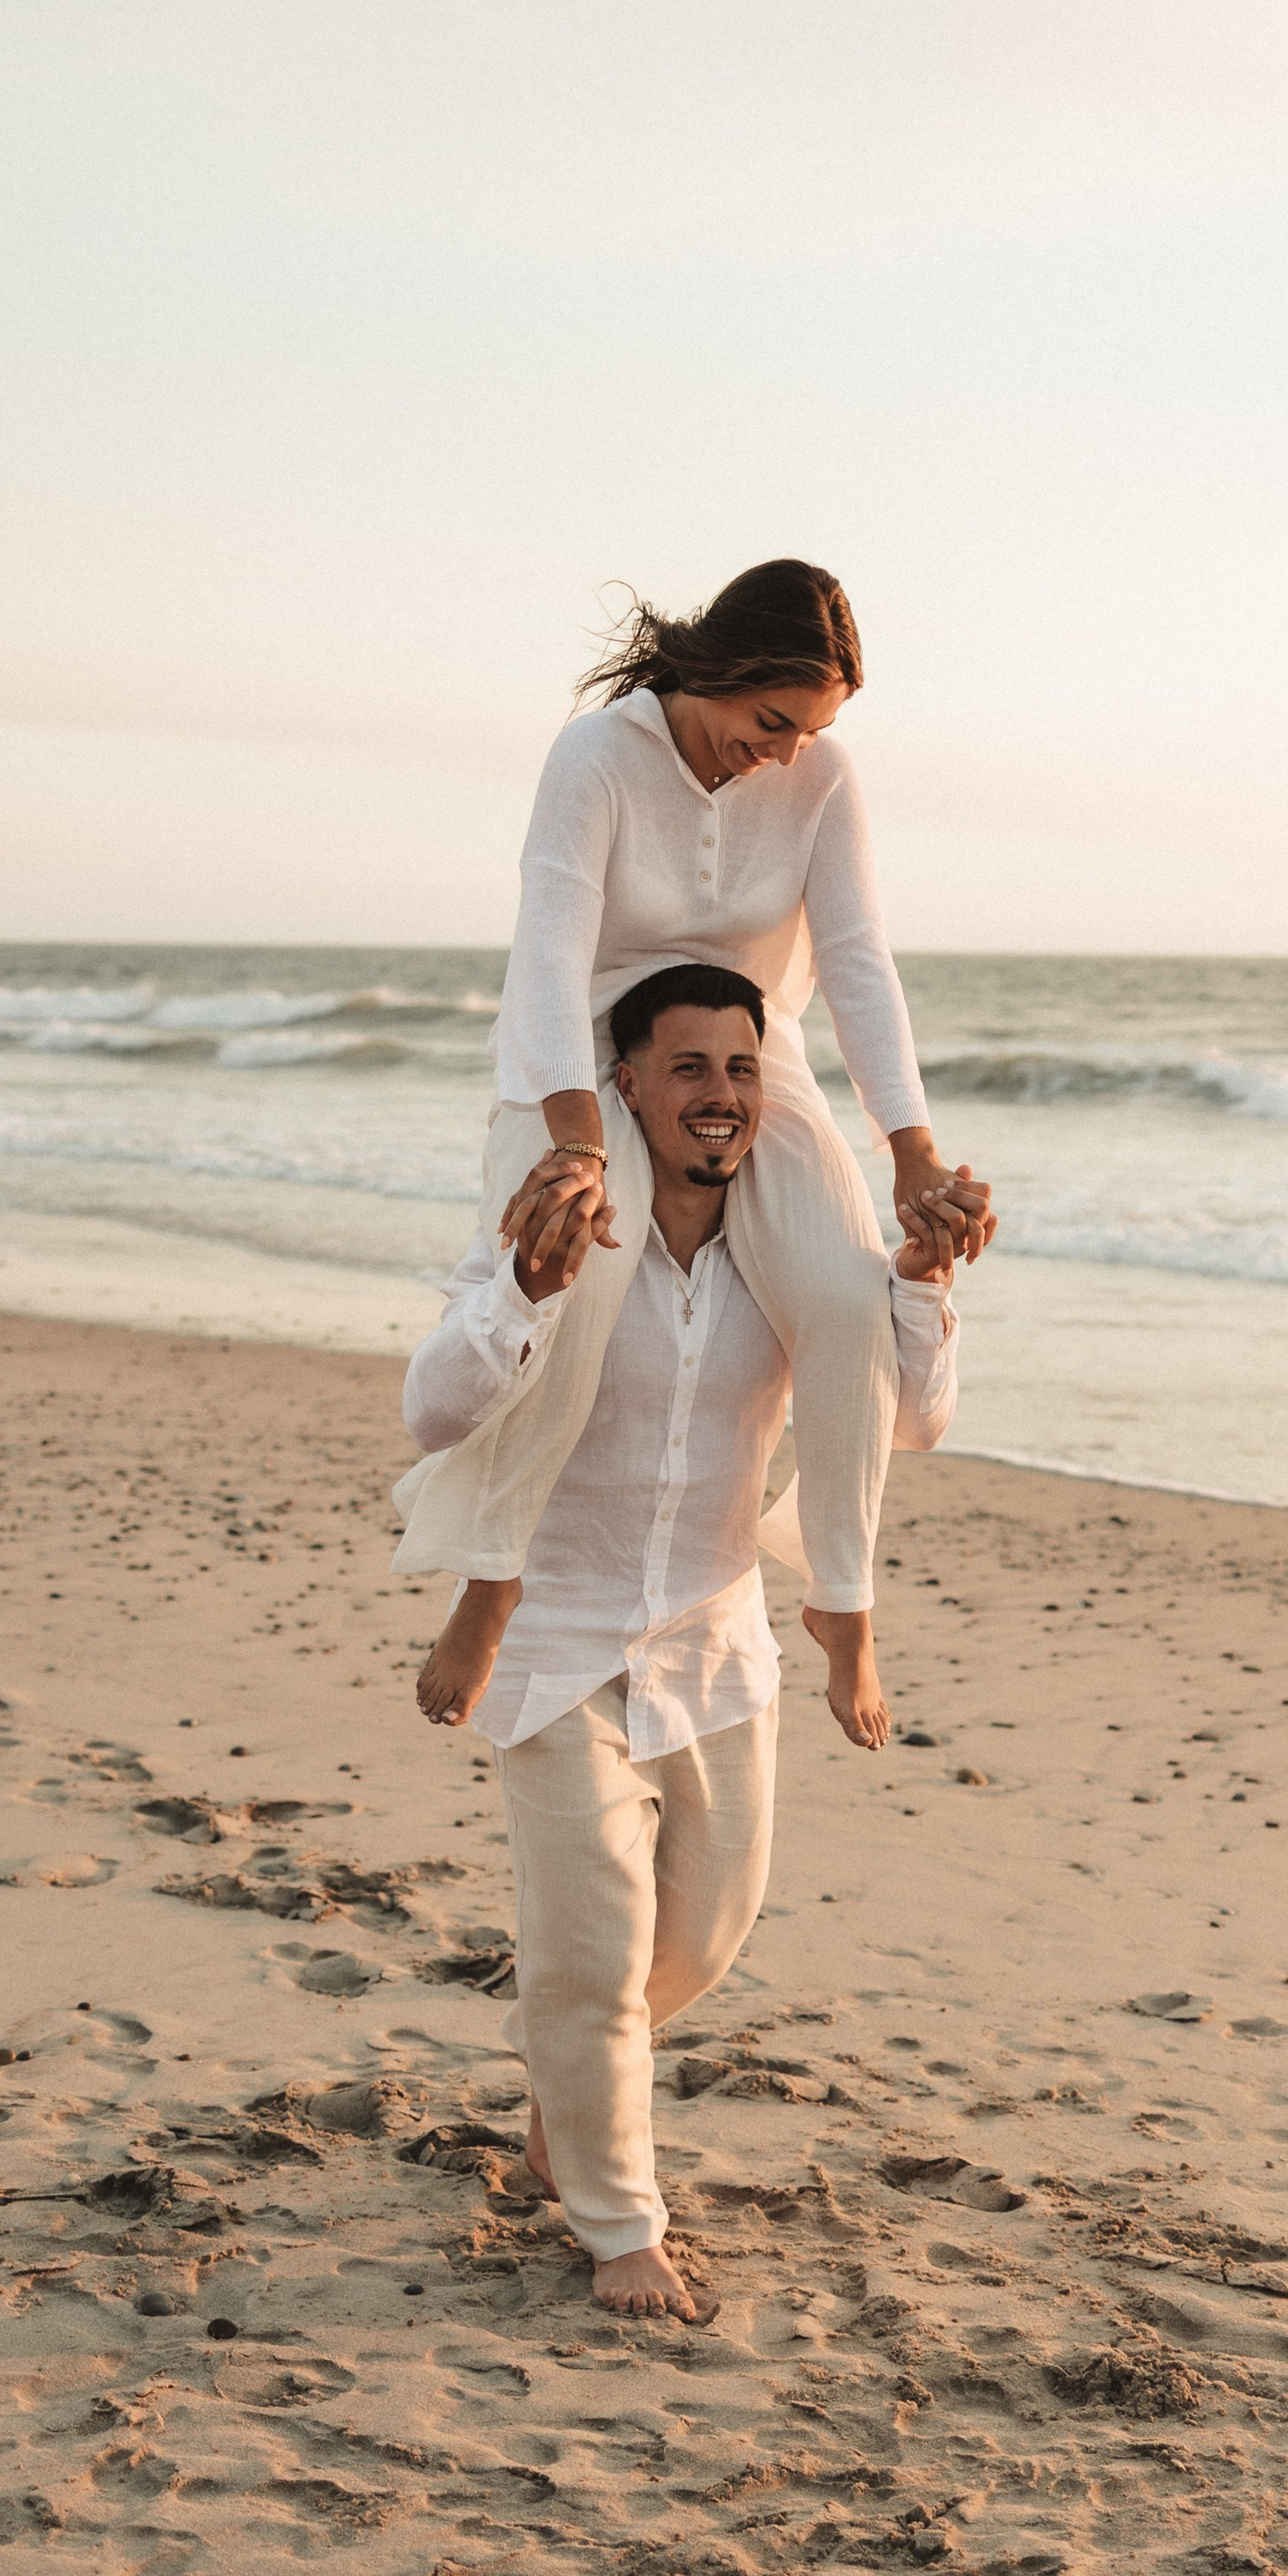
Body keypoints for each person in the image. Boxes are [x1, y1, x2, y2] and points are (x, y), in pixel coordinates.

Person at [401, 963, 961, 2318]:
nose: (720, 1095)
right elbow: (435, 1408)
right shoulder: (558, 1233)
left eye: (742, 1067)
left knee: (705, 1934)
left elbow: (913, 1414)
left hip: (715, 1640)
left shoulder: (796, 1257)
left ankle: (573, 2079)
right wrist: (527, 1291)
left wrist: (929, 1277)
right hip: (558, 1637)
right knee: (593, 1949)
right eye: (690, 1068)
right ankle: (616, 2221)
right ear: (629, 1087)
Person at [391, 559, 991, 1736]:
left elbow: (859, 962)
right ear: (716, 671)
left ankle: (844, 1602)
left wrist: (912, 1153)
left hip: (745, 1053)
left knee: (841, 1288)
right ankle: (498, 1567)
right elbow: (553, 953)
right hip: (587, 1057)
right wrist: (574, 1144)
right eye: (772, 721)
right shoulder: (599, 756)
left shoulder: (820, 777)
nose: (784, 751)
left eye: (810, 729)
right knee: (589, 1268)